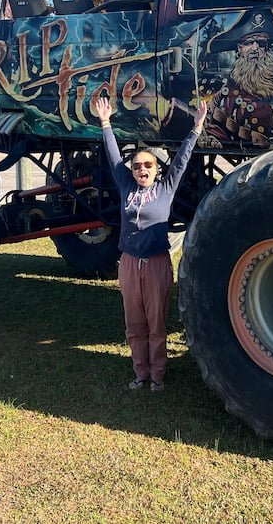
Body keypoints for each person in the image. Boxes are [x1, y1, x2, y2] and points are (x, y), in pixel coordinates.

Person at [93, 94, 208, 392]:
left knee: (156, 324)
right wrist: (105, 122)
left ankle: (158, 374)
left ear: (156, 168)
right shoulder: (126, 186)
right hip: (130, 263)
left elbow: (181, 161)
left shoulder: (166, 189)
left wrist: (196, 129)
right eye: (137, 166)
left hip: (157, 264)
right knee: (134, 323)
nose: (142, 169)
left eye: (147, 165)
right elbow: (114, 156)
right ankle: (140, 372)